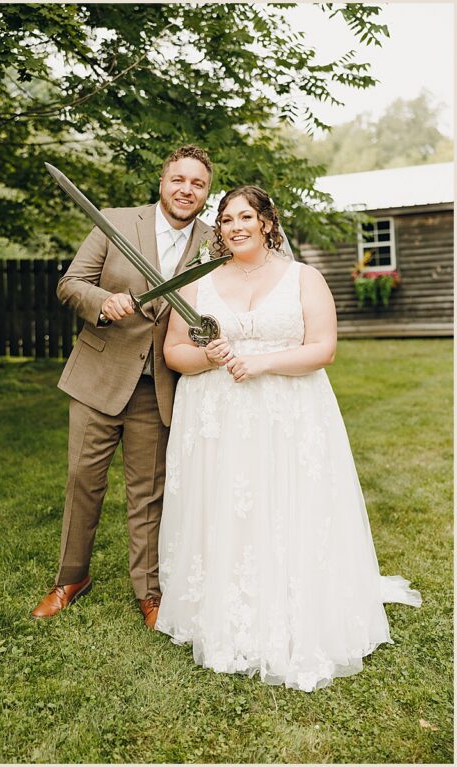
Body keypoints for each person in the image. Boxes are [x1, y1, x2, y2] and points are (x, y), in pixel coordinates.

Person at [158, 185, 420, 691]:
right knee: (230, 507)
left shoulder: (305, 277)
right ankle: (227, 607)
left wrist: (259, 363)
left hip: (289, 412)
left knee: (288, 502)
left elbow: (323, 349)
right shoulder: (196, 282)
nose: (235, 227)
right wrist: (210, 356)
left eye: (245, 217)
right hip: (219, 418)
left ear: (267, 222)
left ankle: (296, 602)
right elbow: (174, 353)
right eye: (226, 219)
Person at [31, 145, 215, 628]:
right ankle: (71, 578)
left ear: (206, 193)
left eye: (197, 184)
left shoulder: (214, 244)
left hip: (160, 386)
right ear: (162, 182)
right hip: (99, 377)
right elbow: (70, 284)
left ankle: (149, 592)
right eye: (179, 180)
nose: (186, 190)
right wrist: (103, 301)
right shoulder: (114, 222)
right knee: (82, 482)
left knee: (148, 493)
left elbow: (217, 308)